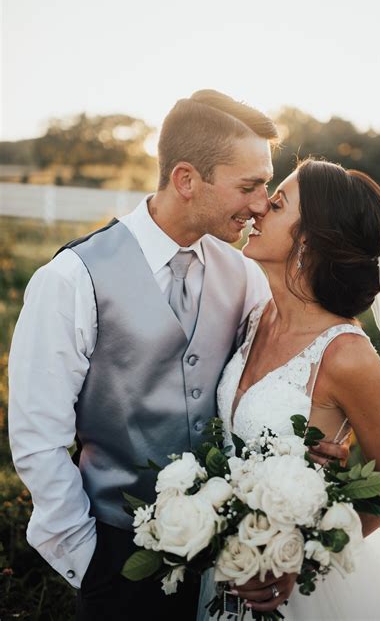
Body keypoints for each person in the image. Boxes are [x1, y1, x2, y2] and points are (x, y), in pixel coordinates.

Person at [8, 91, 346, 621]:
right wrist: (86, 558)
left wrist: (315, 442)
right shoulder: (72, 279)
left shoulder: (244, 275)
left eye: (266, 185)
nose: (261, 204)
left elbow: (270, 379)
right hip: (113, 555)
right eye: (249, 185)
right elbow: (37, 436)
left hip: (223, 560)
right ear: (187, 180)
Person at [198, 158, 380, 620]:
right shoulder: (255, 314)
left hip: (302, 591)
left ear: (309, 238)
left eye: (278, 203)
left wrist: (301, 554)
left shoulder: (347, 357)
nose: (260, 208)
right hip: (227, 563)